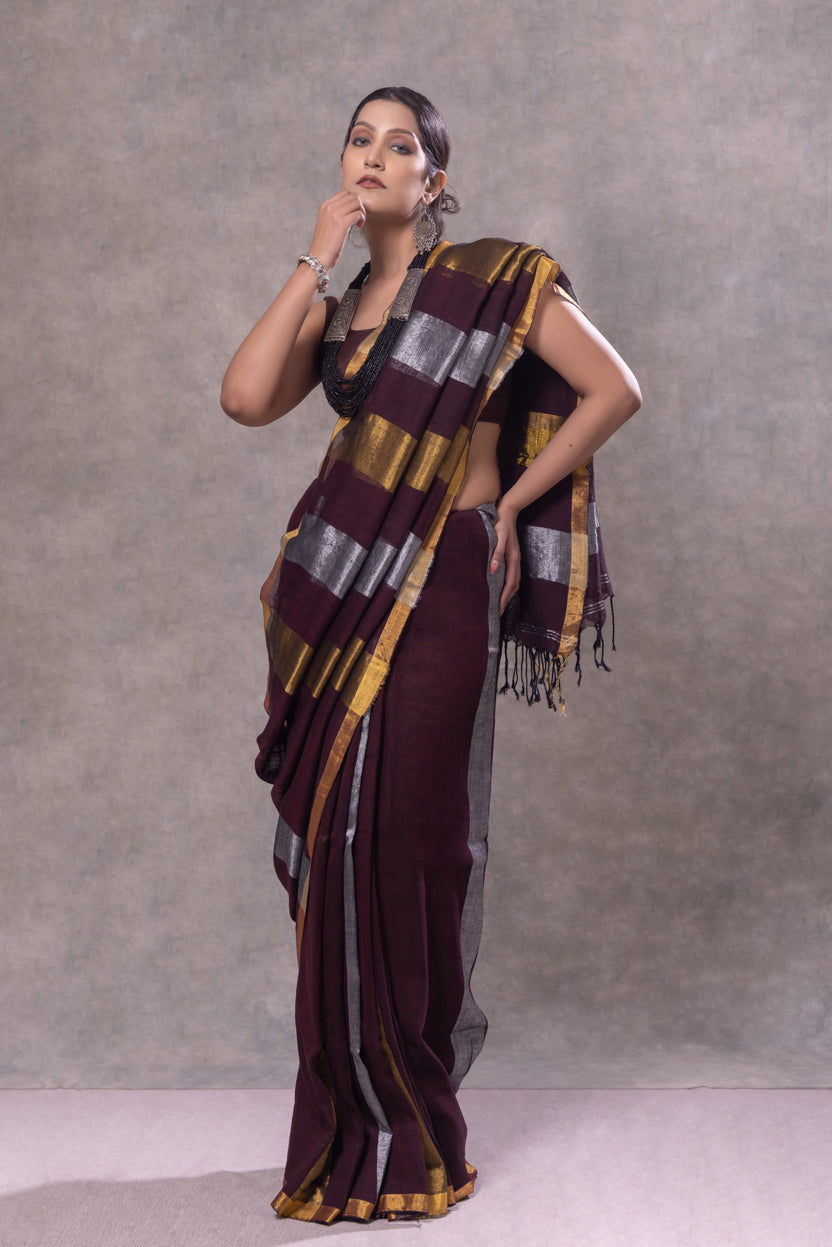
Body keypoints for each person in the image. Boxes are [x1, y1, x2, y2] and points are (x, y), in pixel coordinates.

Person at [221, 86, 641, 1224]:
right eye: (357, 139)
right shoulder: (342, 309)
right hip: (334, 590)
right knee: (338, 849)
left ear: (434, 181)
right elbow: (245, 397)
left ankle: (411, 1133)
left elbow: (615, 388)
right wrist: (316, 257)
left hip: (441, 579)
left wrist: (512, 501)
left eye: (398, 144)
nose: (373, 156)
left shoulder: (491, 282)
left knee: (410, 844)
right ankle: (337, 1133)